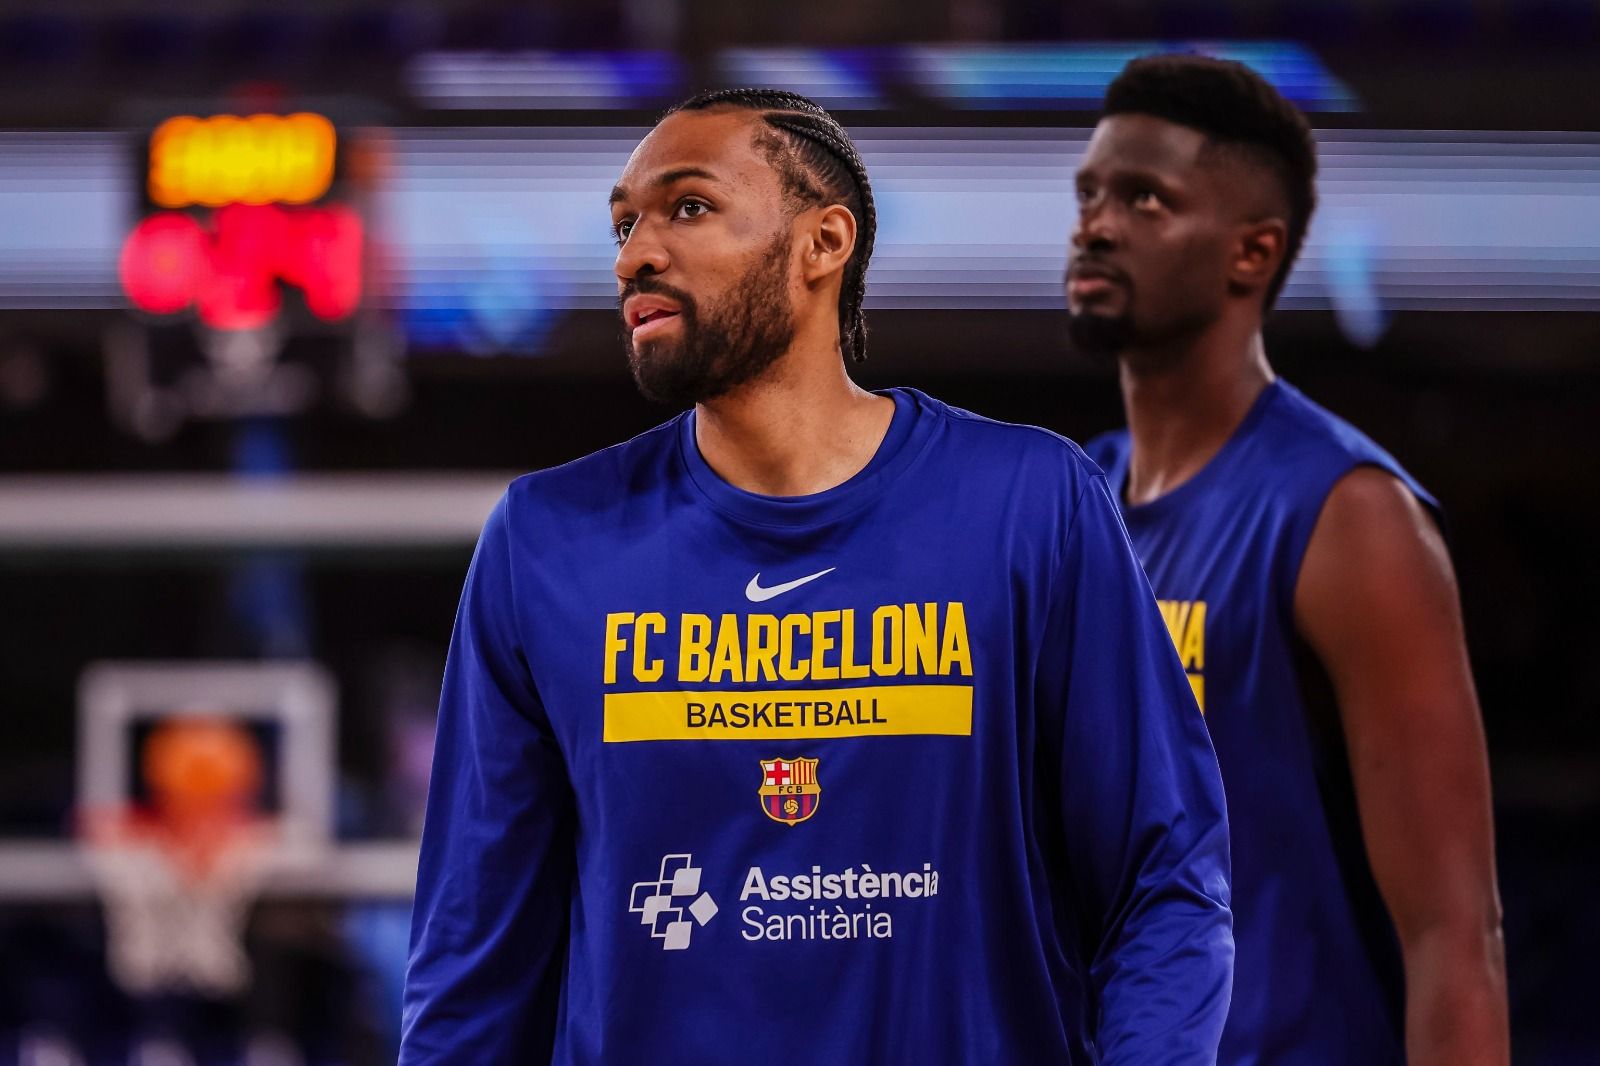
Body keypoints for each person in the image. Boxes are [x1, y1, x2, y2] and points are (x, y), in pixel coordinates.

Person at [401, 88, 1233, 1063]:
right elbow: (472, 968)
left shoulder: (1030, 503)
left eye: (688, 207)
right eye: (624, 221)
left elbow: (1163, 878)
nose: (634, 253)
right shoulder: (543, 541)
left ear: (822, 244)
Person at [1069, 54, 1509, 1066]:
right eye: (1089, 193)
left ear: (1250, 253)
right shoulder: (1080, 508)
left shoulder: (1349, 514)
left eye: (1144, 199)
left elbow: (1455, 934)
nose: (1094, 224)